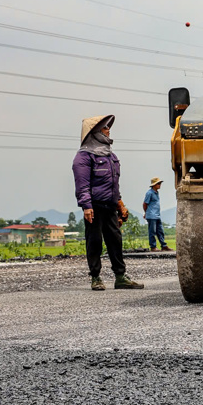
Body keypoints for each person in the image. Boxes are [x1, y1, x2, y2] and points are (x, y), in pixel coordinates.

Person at [72, 115, 144, 291]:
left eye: (107, 127)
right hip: (94, 207)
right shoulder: (83, 157)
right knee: (94, 241)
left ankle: (120, 277)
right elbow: (82, 184)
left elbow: (114, 184)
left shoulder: (111, 156)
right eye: (104, 128)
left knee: (115, 241)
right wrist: (86, 206)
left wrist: (120, 204)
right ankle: (95, 277)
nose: (108, 130)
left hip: (110, 206)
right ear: (94, 132)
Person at [143, 177, 171, 252]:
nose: (160, 185)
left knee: (160, 231)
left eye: (160, 183)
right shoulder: (149, 193)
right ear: (154, 185)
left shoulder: (156, 193)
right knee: (152, 231)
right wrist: (146, 213)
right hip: (151, 215)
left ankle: (163, 245)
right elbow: (145, 203)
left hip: (157, 215)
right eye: (158, 183)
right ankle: (153, 247)